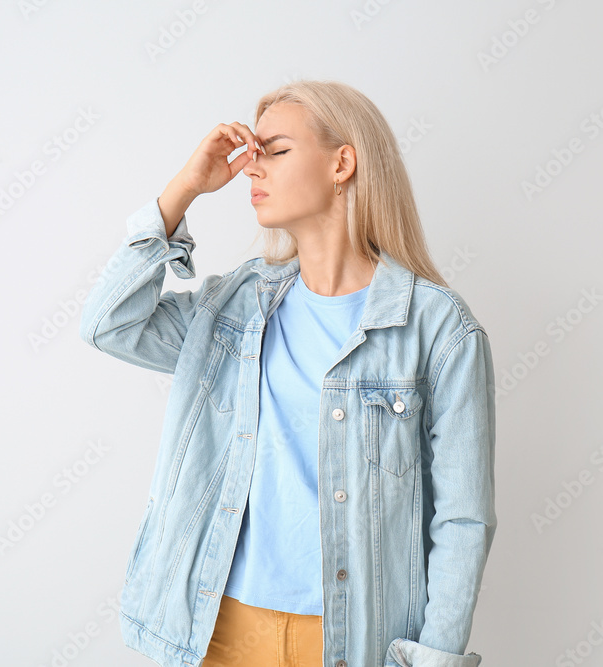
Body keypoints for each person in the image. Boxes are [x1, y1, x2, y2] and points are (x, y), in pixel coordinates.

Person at [80, 79, 496, 667]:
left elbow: (463, 519)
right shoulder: (237, 307)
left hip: (354, 640)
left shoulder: (437, 328)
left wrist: (434, 659)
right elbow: (108, 324)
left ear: (342, 163)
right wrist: (184, 190)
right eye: (254, 155)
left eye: (275, 151)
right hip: (222, 627)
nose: (252, 170)